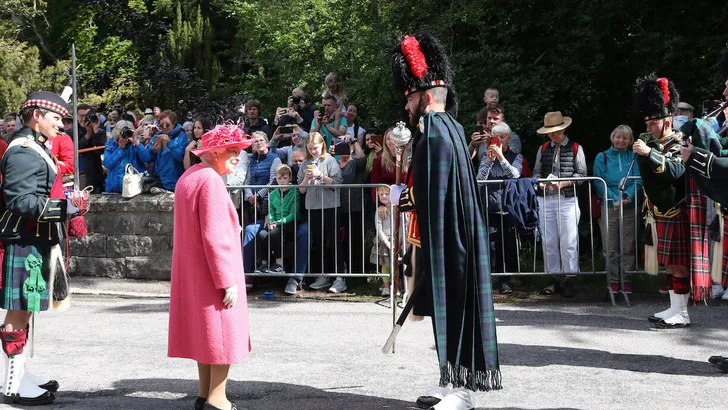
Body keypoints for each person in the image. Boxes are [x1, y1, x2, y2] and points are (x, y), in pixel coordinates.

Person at [392, 32, 501, 410]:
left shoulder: (436, 129)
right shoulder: (444, 127)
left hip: (451, 238)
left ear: (423, 95)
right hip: (443, 235)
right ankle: (450, 380)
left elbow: (434, 195)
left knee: (455, 308)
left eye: (408, 98)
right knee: (442, 309)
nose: (405, 106)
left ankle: (463, 392)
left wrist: (407, 202)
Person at [0, 92, 86, 406]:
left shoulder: (35, 146)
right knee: (19, 311)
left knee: (27, 308)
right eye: (57, 118)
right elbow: (21, 202)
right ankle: (13, 386)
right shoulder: (23, 151)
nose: (62, 125)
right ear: (37, 115)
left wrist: (68, 204)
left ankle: (20, 374)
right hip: (25, 239)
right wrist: (66, 208)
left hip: (35, 239)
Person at [168, 124, 251, 410]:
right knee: (222, 338)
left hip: (195, 273)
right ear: (214, 151)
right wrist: (226, 280)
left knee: (207, 338)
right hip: (212, 273)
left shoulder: (189, 177)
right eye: (232, 150)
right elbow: (215, 237)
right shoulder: (211, 181)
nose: (237, 156)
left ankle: (204, 396)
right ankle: (219, 401)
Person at [632, 74, 711, 329]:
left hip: (678, 211)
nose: (649, 128)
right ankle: (674, 308)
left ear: (667, 121)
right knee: (669, 263)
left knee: (678, 264)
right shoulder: (656, 141)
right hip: (660, 212)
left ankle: (682, 313)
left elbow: (677, 172)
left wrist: (650, 154)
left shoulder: (679, 141)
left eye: (654, 122)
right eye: (647, 123)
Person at [533, 111, 587, 297]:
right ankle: (554, 277)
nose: (552, 134)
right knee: (549, 240)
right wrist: (539, 182)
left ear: (563, 129)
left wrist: (563, 183)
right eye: (549, 131)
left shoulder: (575, 148)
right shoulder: (543, 149)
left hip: (566, 199)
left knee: (568, 240)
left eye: (555, 131)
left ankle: (570, 278)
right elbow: (536, 172)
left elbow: (582, 175)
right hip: (546, 198)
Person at [593, 125, 640, 294]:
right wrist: (614, 199)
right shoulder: (602, 157)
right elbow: (599, 181)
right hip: (609, 205)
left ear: (630, 141)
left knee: (628, 245)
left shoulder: (634, 156)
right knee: (610, 246)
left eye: (625, 138)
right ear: (613, 138)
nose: (621, 141)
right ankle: (613, 280)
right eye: (618, 137)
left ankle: (626, 279)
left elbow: (637, 180)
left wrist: (627, 197)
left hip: (630, 205)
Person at [297, 132, 346, 292]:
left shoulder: (330, 160)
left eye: (316, 148)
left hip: (331, 206)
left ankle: (340, 277)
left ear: (322, 145)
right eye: (310, 148)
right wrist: (307, 178)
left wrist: (321, 175)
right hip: (313, 207)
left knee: (333, 241)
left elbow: (338, 183)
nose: (313, 151)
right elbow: (302, 189)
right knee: (319, 242)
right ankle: (323, 275)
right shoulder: (305, 163)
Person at [477, 122, 522, 294]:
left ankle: (506, 280)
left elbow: (514, 175)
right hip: (490, 206)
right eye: (497, 137)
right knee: (490, 246)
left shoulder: (515, 156)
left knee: (508, 244)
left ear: (509, 139)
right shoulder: (486, 157)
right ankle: (489, 279)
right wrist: (489, 161)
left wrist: (501, 158)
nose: (500, 140)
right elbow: (479, 179)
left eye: (503, 137)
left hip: (508, 206)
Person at [242, 132, 282, 274]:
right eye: (255, 141)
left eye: (261, 141)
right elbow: (247, 181)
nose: (258, 143)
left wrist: (258, 196)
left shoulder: (274, 159)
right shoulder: (251, 160)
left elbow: (273, 182)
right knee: (248, 230)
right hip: (253, 204)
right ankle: (247, 273)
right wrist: (250, 197)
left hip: (268, 203)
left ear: (266, 142)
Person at [255, 164, 301, 274]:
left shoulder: (295, 192)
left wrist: (279, 222)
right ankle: (264, 264)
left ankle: (280, 265)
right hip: (276, 222)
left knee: (275, 233)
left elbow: (293, 213)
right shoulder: (273, 193)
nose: (282, 181)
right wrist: (271, 221)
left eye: (285, 178)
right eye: (279, 178)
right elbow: (271, 212)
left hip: (289, 222)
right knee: (262, 234)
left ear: (290, 178)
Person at [333, 135, 367, 276]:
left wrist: (353, 140)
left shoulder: (355, 163)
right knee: (339, 241)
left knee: (355, 240)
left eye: (347, 146)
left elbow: (362, 159)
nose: (344, 149)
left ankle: (357, 273)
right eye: (340, 146)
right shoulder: (333, 163)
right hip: (336, 207)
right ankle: (341, 271)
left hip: (355, 207)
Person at [103, 120, 153, 193]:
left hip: (135, 187)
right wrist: (120, 149)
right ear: (117, 133)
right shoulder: (111, 144)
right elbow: (107, 164)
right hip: (115, 188)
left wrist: (138, 144)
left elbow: (146, 158)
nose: (126, 136)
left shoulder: (136, 143)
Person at [148, 110, 189, 191]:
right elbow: (147, 158)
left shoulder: (182, 136)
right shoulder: (157, 136)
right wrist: (153, 151)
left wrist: (170, 142)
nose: (164, 127)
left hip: (175, 181)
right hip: (159, 181)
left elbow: (181, 157)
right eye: (161, 125)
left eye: (167, 125)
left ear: (173, 124)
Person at [78, 108, 107, 193]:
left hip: (96, 171)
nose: (85, 119)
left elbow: (101, 150)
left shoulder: (100, 132)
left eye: (88, 116)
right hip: (80, 171)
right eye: (82, 116)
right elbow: (77, 148)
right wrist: (88, 134)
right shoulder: (73, 131)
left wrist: (96, 130)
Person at [371, 186, 393, 296]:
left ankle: (396, 286)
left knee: (397, 264)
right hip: (385, 241)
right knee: (385, 265)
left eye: (386, 193)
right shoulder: (379, 211)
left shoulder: (397, 209)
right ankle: (387, 287)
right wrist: (386, 241)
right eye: (381, 194)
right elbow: (378, 228)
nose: (383, 196)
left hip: (397, 241)